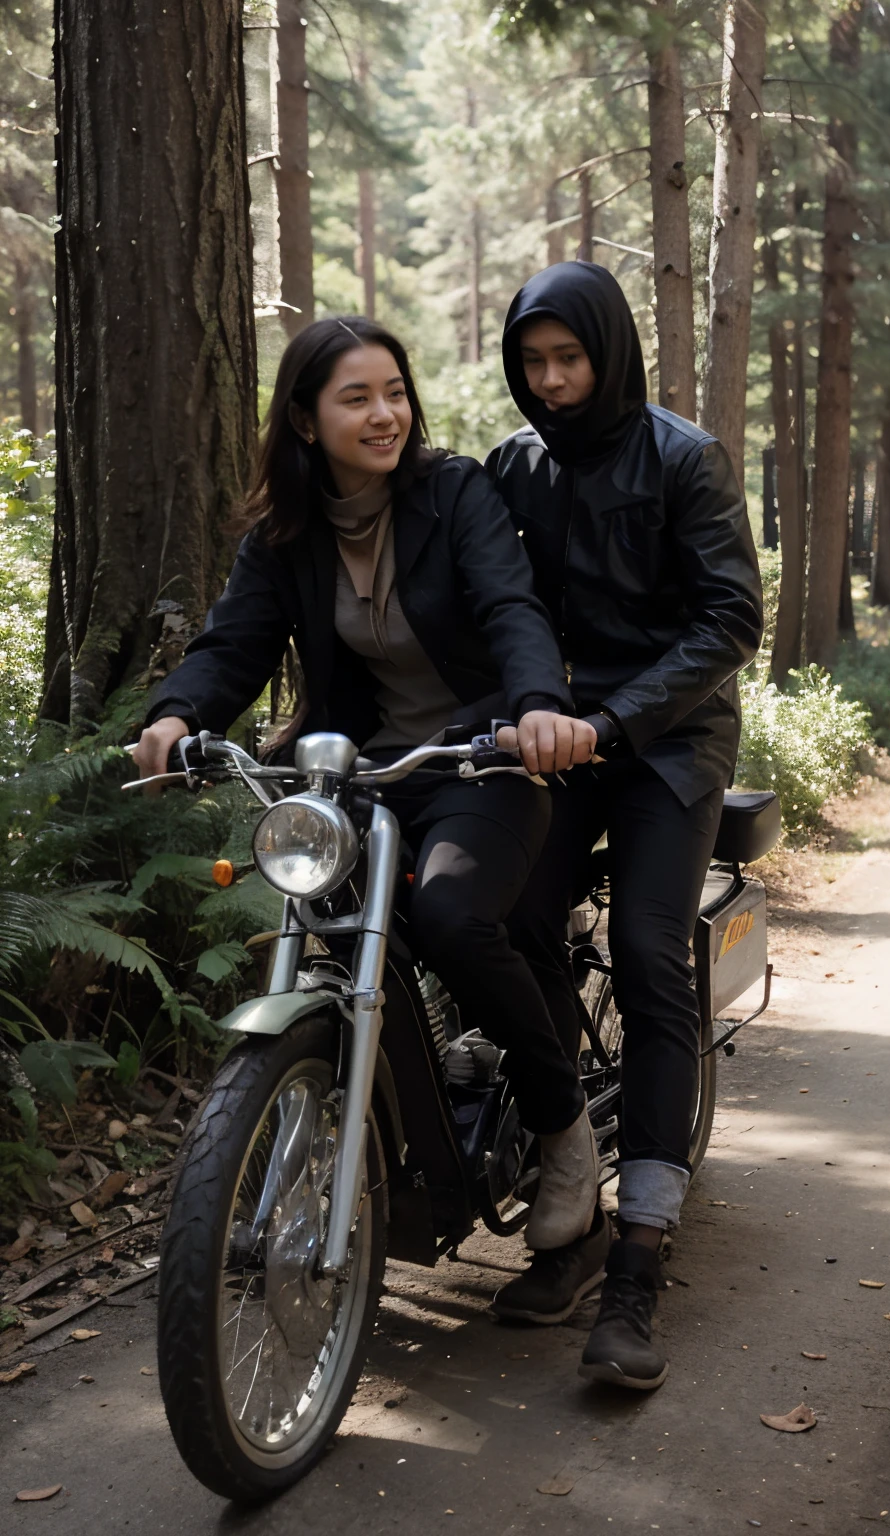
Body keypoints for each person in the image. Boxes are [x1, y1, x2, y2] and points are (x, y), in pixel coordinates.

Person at [132, 314, 600, 1252]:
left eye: (395, 392)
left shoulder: (454, 492)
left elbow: (511, 607)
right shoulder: (282, 533)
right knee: (327, 937)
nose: (386, 414)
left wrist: (540, 707)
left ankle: (563, 1130)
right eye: (358, 398)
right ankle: (351, 1135)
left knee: (456, 916)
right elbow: (234, 644)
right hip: (361, 769)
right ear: (306, 421)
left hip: (481, 755)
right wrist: (178, 716)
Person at [487, 263, 763, 1389]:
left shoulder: (684, 457)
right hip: (557, 733)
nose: (552, 383)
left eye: (570, 358)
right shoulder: (512, 467)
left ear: (611, 351)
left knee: (649, 951)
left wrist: (613, 718)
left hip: (668, 737)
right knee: (503, 927)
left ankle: (638, 1258)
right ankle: (569, 1193)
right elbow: (487, 604)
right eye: (532, 363)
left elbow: (730, 618)